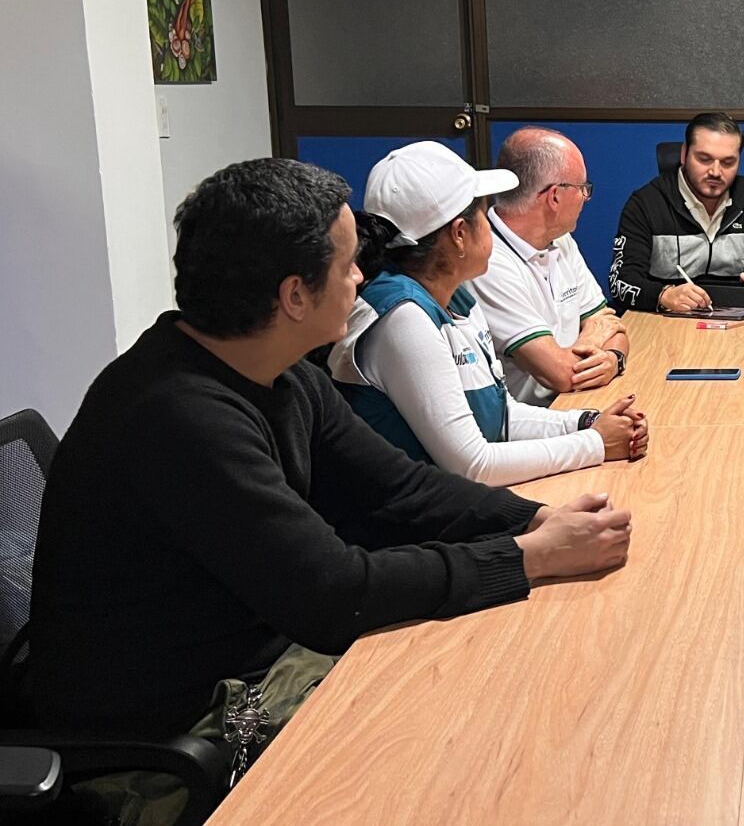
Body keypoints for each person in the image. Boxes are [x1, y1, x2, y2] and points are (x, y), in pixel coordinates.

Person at [24, 158, 633, 798]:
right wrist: (526, 559)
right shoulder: (177, 415)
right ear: (293, 295)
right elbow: (333, 592)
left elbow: (400, 488)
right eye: (346, 265)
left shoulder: (282, 374)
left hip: (261, 668)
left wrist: (537, 521)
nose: (362, 276)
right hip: (173, 737)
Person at [330, 141, 648, 487]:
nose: (493, 222)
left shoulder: (459, 297)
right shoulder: (404, 318)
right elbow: (473, 465)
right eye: (483, 214)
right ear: (460, 234)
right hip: (414, 525)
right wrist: (596, 444)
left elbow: (503, 418)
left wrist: (588, 421)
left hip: (459, 504)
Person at [470, 127, 630, 405]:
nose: (586, 198)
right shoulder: (488, 261)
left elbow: (612, 325)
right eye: (583, 189)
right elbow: (560, 374)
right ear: (555, 196)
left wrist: (614, 359)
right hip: (534, 423)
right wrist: (594, 335)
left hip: (581, 399)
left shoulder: (561, 239)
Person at [610, 112, 744, 312]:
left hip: (738, 321)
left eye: (728, 162)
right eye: (704, 159)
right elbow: (621, 283)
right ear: (684, 154)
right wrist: (663, 295)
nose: (716, 172)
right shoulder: (646, 203)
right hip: (665, 321)